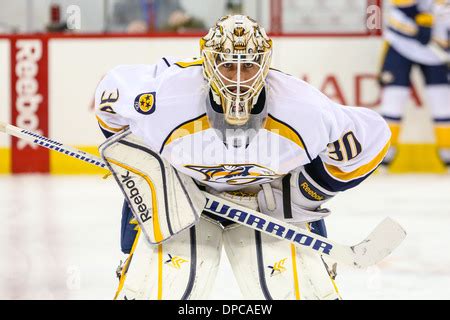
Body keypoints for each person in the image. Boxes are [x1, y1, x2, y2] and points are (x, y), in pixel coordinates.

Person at [94, 15, 391, 300]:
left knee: (295, 290)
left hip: (268, 205)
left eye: (248, 65)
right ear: (208, 63)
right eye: (226, 64)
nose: (237, 79)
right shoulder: (165, 96)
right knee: (161, 290)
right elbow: (108, 101)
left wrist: (299, 194)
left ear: (265, 64)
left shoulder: (304, 109)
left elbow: (373, 138)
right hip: (181, 195)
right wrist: (143, 167)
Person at [378, 0, 450, 166]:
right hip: (401, 42)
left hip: (437, 49)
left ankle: (448, 155)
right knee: (394, 98)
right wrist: (420, 17)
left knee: (442, 100)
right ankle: (383, 156)